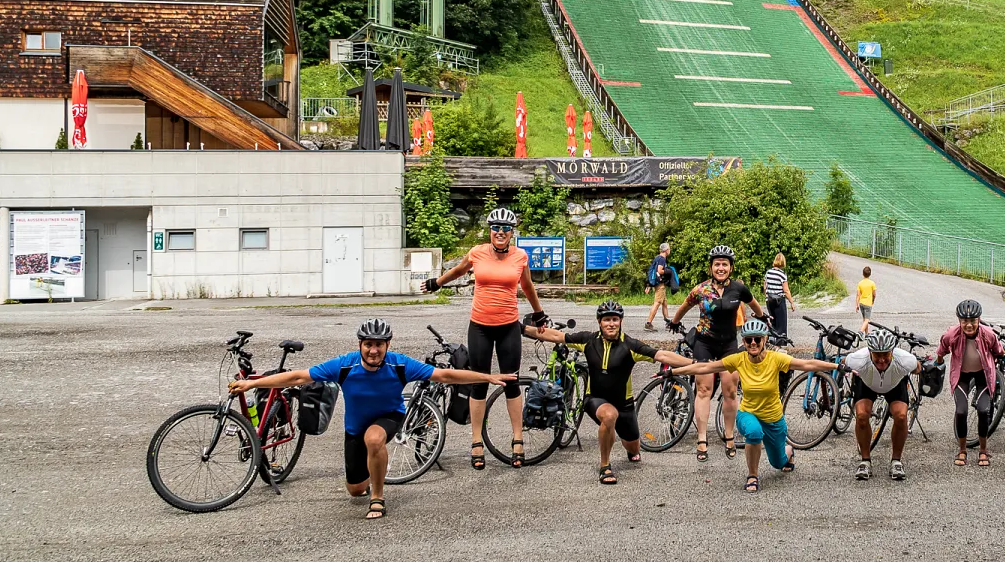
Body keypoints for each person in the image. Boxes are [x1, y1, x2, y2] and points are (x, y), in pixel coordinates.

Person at [229, 318, 514, 520]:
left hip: (388, 417)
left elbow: (446, 375)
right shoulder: (344, 365)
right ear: (360, 344)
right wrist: (252, 384)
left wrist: (486, 376)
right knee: (355, 489)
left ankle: (378, 496)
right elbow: (298, 376)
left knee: (375, 439)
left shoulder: (400, 364)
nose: (374, 350)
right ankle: (368, 483)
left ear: (388, 345)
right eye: (368, 344)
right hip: (354, 426)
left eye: (379, 344)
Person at [422, 206, 548, 469]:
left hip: (508, 327)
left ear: (512, 233)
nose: (500, 233)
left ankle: (517, 438)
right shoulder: (477, 252)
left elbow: (527, 286)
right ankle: (476, 441)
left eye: (505, 229)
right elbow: (458, 271)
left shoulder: (520, 257)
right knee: (479, 382)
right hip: (479, 325)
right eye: (496, 228)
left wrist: (539, 314)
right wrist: (438, 282)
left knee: (511, 381)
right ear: (490, 231)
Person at [524, 299, 694, 484]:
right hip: (595, 399)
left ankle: (627, 445)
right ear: (599, 322)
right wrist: (521, 329)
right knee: (609, 416)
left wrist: (695, 363)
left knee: (633, 448)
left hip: (625, 405)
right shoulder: (588, 340)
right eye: (606, 320)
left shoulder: (630, 345)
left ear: (620, 321)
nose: (611, 324)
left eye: (615, 319)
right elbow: (557, 336)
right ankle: (605, 466)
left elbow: (661, 355)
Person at [675, 318, 838, 492]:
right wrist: (672, 372)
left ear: (765, 340)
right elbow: (703, 368)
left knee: (778, 462)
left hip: (773, 420)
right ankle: (752, 475)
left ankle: (788, 452)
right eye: (748, 339)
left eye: (757, 339)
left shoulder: (776, 359)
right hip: (748, 414)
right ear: (743, 342)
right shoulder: (738, 359)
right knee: (753, 432)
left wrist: (838, 365)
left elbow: (807, 364)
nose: (753, 343)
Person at [667, 244, 765, 461]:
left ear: (730, 267)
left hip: (729, 344)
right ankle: (702, 439)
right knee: (704, 389)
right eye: (717, 264)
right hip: (705, 343)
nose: (721, 268)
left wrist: (763, 318)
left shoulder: (738, 289)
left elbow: (754, 304)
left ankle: (729, 436)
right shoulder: (701, 289)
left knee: (730, 391)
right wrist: (675, 321)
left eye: (725, 264)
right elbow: (684, 305)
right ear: (711, 267)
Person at [842, 327, 921, 481]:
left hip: (894, 384)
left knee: (901, 416)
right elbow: (843, 363)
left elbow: (918, 368)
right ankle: (865, 461)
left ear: (892, 351)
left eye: (886, 354)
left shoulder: (905, 359)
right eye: (877, 355)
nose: (882, 359)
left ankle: (896, 461)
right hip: (867, 383)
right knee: (862, 416)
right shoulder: (858, 359)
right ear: (870, 352)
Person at [934, 299, 1004, 467]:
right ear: (960, 321)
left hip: (983, 375)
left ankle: (983, 450)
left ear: (979, 320)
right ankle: (962, 450)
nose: (969, 325)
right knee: (961, 412)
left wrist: (1004, 356)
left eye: (973, 321)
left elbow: (998, 349)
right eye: (965, 321)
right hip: (961, 376)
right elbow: (942, 348)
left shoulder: (988, 334)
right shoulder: (952, 334)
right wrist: (937, 362)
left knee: (983, 410)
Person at [644, 242, 677, 331]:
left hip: (657, 284)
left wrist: (649, 285)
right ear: (666, 250)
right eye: (669, 249)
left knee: (664, 303)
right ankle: (648, 323)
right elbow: (659, 271)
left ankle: (667, 322)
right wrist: (669, 271)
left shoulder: (657, 258)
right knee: (657, 302)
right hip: (660, 285)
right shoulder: (662, 259)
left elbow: (653, 271)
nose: (669, 250)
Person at [763, 253, 796, 338]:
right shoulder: (782, 274)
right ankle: (779, 343)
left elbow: (765, 287)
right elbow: (786, 290)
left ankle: (772, 341)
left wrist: (766, 296)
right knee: (781, 323)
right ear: (783, 262)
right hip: (779, 301)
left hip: (769, 300)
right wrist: (792, 302)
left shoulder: (768, 272)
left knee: (773, 322)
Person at [855, 266, 876, 334]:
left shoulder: (860, 283)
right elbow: (874, 294)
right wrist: (873, 301)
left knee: (864, 319)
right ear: (870, 274)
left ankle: (867, 334)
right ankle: (861, 332)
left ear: (863, 274)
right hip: (868, 303)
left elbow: (858, 295)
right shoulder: (872, 283)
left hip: (861, 303)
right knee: (867, 320)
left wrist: (857, 305)